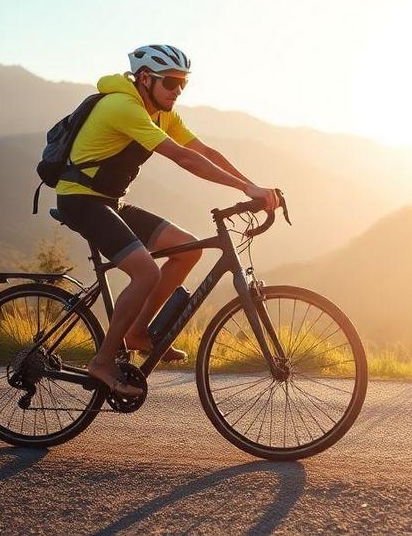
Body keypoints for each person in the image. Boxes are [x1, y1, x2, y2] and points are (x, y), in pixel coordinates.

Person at [55, 44, 279, 397]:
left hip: (110, 202)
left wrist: (252, 186)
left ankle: (137, 332)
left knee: (186, 249)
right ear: (145, 78)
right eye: (170, 83)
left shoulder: (161, 112)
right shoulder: (123, 107)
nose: (177, 91)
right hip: (80, 200)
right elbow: (183, 159)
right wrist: (245, 187)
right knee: (146, 272)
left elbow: (202, 151)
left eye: (183, 85)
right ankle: (102, 362)